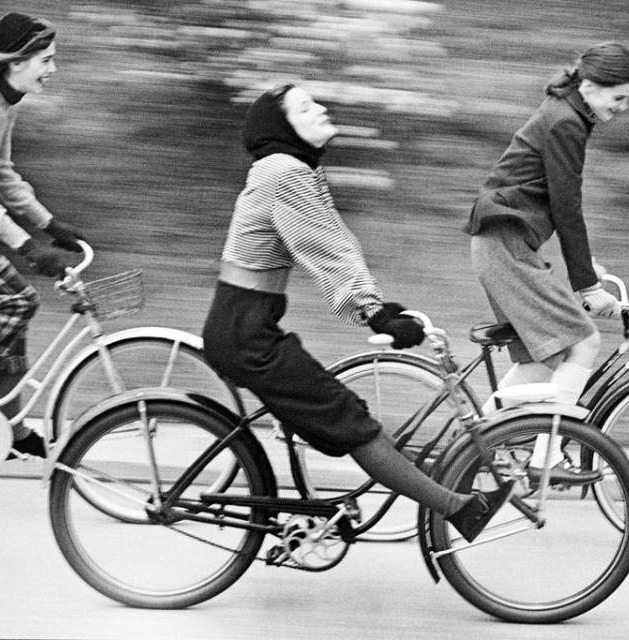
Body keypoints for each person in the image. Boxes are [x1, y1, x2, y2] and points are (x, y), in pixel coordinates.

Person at [203, 83, 514, 543]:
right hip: (247, 337)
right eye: (305, 107)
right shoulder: (283, 171)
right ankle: (457, 509)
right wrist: (374, 314)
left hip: (247, 327)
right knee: (352, 423)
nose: (321, 109)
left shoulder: (292, 168)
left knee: (350, 417)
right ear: (281, 126)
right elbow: (324, 250)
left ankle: (444, 487)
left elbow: (334, 241)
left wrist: (379, 307)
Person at [464, 42, 629, 484]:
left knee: (546, 355)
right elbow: (566, 205)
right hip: (505, 245)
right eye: (619, 98)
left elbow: (552, 203)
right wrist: (586, 286)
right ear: (591, 87)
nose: (624, 108)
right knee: (584, 342)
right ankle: (547, 454)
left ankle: (472, 447)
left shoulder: (566, 112)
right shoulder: (566, 123)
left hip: (505, 242)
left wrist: (584, 267)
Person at [0, 13, 87, 458]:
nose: (52, 69)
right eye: (45, 59)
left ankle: (10, 431)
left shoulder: (2, 104)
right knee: (16, 301)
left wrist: (48, 224)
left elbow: (1, 174)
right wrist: (26, 244)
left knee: (15, 313)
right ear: (14, 62)